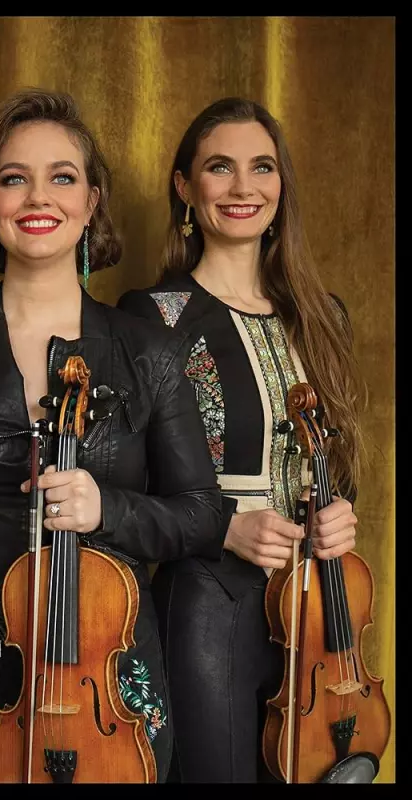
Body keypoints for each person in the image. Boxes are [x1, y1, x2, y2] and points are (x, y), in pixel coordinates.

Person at [0, 88, 223, 784]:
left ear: (91, 201)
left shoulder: (150, 351)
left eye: (62, 177)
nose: (38, 197)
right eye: (14, 178)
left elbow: (204, 515)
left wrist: (107, 508)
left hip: (106, 690)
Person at [117, 97, 365, 783]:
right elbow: (125, 491)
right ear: (185, 187)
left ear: (281, 186)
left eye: (262, 167)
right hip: (211, 601)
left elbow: (337, 458)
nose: (242, 187)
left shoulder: (322, 315)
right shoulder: (154, 315)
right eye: (219, 168)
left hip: (319, 605)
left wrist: (342, 509)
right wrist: (224, 527)